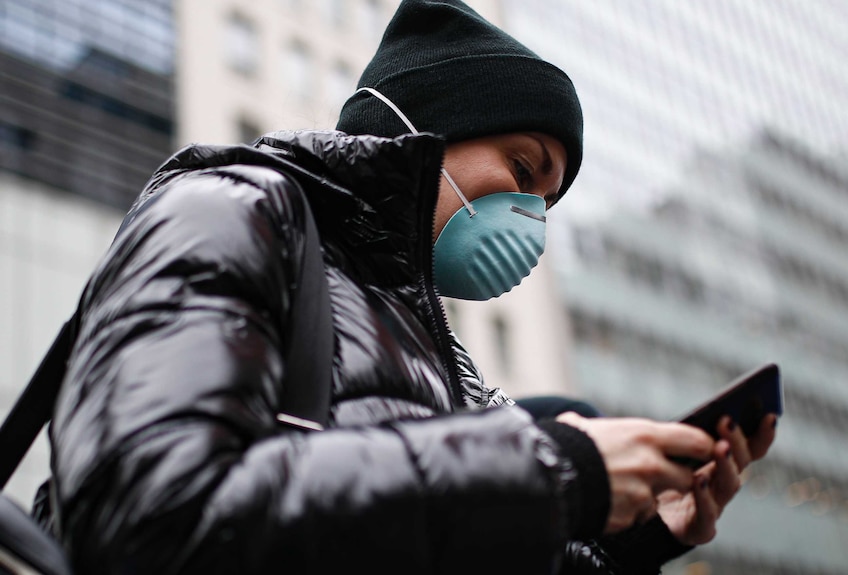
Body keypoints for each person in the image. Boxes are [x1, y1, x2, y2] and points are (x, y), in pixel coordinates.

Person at [45, 1, 776, 573]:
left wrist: (634, 540)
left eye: (547, 204)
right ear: (430, 126)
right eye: (524, 171)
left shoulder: (441, 357)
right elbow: (148, 518)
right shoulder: (232, 209)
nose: (530, 218)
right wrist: (555, 471)